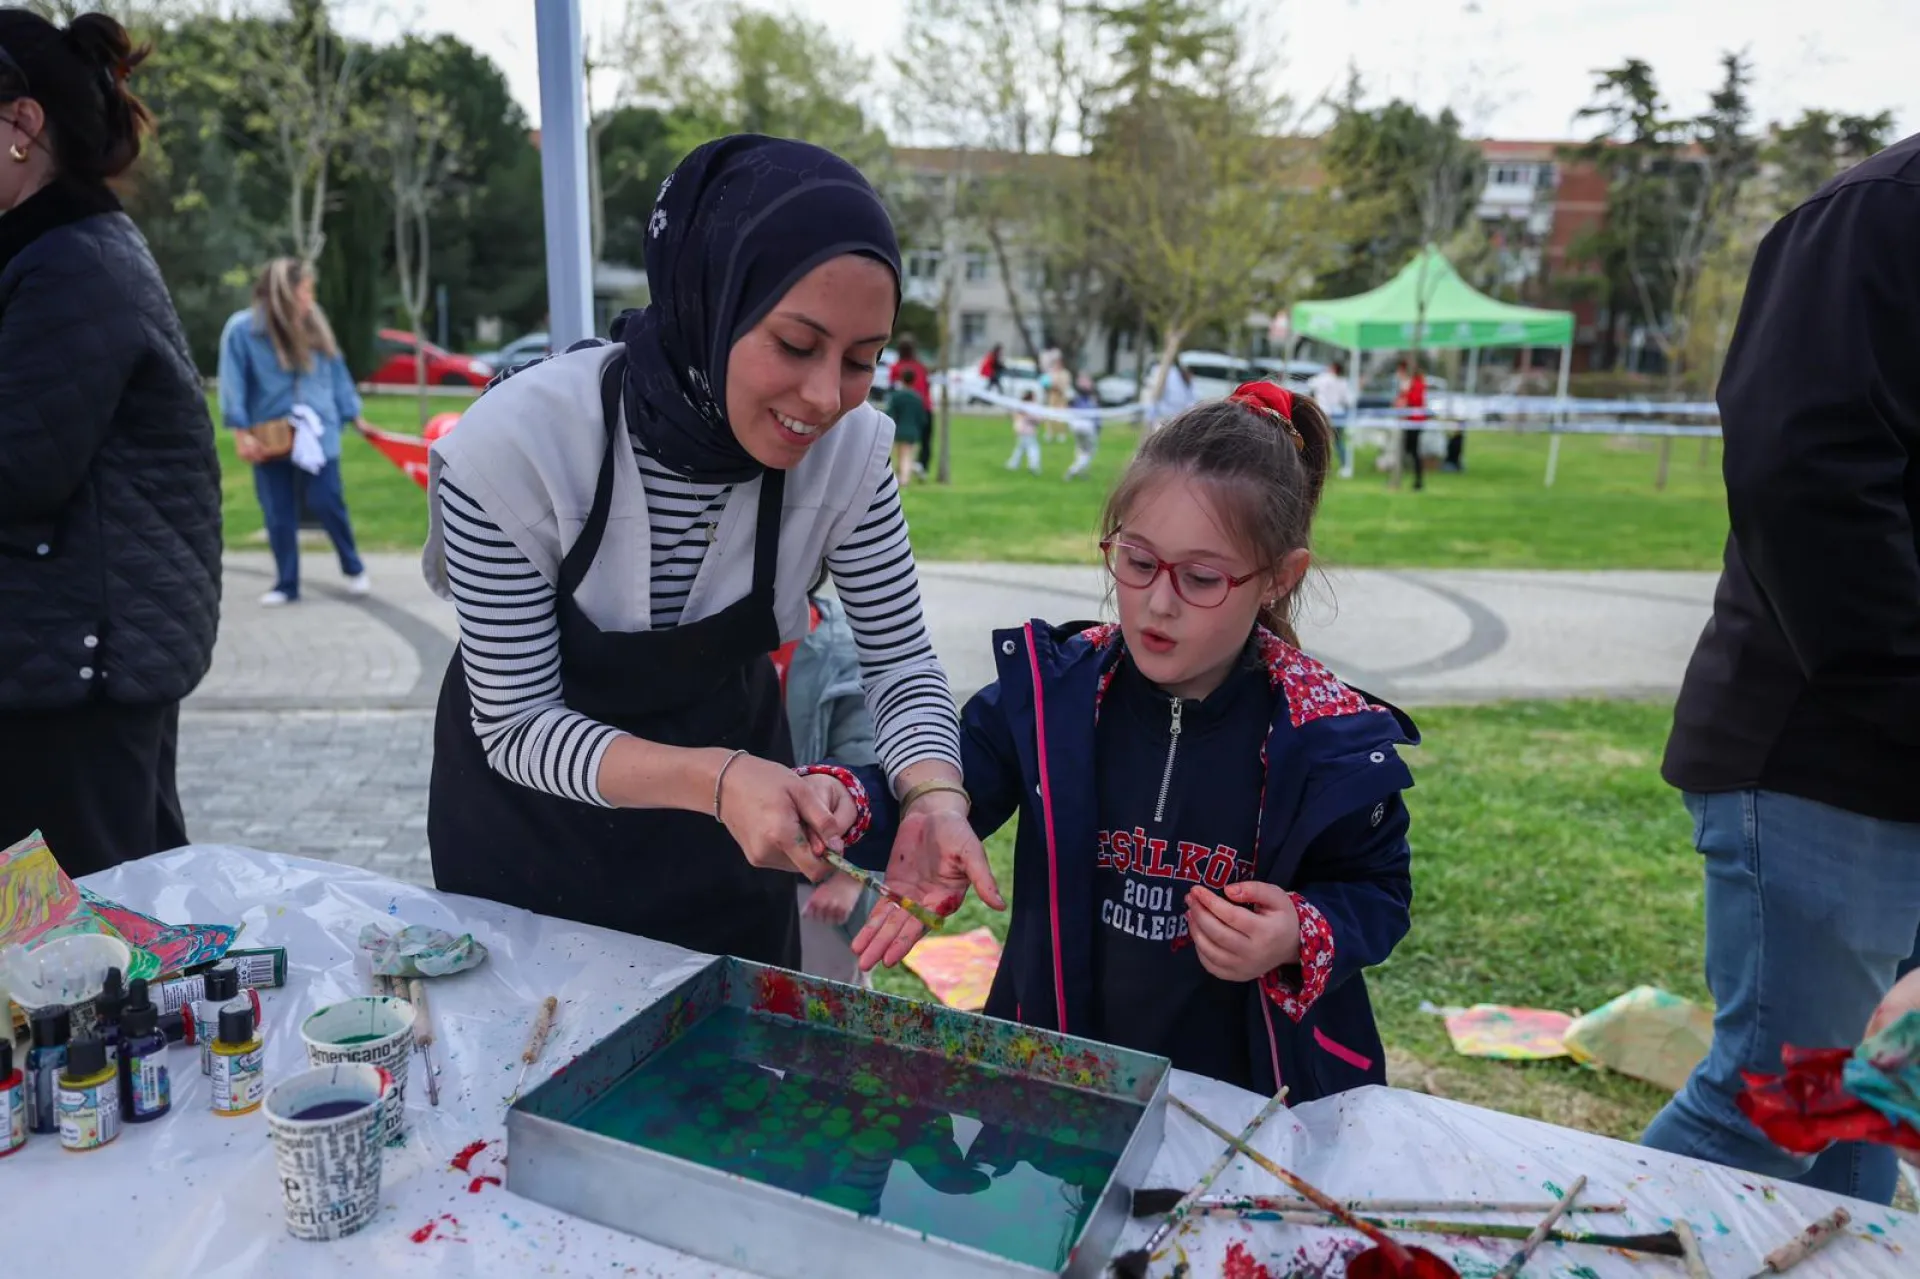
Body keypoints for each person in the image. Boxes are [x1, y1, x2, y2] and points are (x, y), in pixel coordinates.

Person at [421, 135, 998, 969]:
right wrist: (719, 781)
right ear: (710, 299)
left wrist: (934, 794)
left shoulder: (852, 454)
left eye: (862, 361)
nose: (825, 397)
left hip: (727, 850)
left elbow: (900, 659)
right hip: (530, 834)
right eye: (797, 346)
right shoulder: (516, 450)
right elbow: (516, 723)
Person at [827, 382, 1418, 1093]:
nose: (1158, 602)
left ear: (1278, 578)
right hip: (1061, 1082)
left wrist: (1298, 930)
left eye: (1201, 577)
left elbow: (1377, 890)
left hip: (1245, 1103)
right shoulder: (1053, 696)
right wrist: (846, 801)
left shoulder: (1327, 738)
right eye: (1138, 562)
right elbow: (943, 791)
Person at [1644, 131, 1920, 1207]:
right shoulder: (1880, 216)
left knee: (1867, 1093)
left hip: (1889, 754)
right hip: (1825, 746)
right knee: (1780, 1104)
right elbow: (1802, 475)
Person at [0, 10, 221, 876]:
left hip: (76, 680)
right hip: (63, 668)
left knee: (90, 948)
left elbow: (19, 465)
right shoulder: (51, 252)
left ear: (23, 126)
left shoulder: (72, 263)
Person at [219, 257, 371, 606]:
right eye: (305, 291)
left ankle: (353, 566)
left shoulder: (314, 326)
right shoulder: (243, 331)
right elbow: (233, 383)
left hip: (319, 432)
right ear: (285, 293)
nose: (309, 298)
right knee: (277, 509)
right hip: (270, 434)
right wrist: (241, 433)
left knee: (326, 500)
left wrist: (354, 415)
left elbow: (336, 373)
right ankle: (286, 583)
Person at [770, 575, 883, 985]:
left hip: (815, 877)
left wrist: (849, 877)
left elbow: (868, 766)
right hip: (735, 871)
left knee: (825, 995)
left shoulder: (841, 649)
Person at [888, 336, 933, 477]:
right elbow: (927, 386)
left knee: (899, 444)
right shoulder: (921, 367)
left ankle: (900, 470)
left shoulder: (896, 367)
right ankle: (922, 467)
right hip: (923, 406)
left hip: (901, 410)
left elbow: (892, 389)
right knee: (924, 441)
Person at [884, 364, 930, 488]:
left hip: (898, 430)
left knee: (899, 455)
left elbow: (889, 414)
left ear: (902, 379)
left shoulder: (896, 397)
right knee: (907, 455)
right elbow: (922, 418)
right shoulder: (918, 398)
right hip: (912, 431)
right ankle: (904, 479)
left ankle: (900, 479)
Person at [1307, 359, 1354, 479]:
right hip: (1338, 413)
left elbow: (1310, 384)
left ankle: (1321, 466)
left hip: (1324, 413)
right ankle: (1345, 467)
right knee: (1338, 442)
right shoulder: (1343, 382)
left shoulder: (1323, 378)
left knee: (1321, 441)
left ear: (1332, 368)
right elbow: (1349, 400)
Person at [1394, 358, 1428, 491]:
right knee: (1405, 450)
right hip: (1407, 420)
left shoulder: (1417, 383)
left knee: (1412, 451)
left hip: (1415, 421)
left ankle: (1418, 481)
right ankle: (1399, 478)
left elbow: (1416, 400)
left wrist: (1406, 396)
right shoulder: (1407, 384)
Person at [1063, 372, 1100, 481]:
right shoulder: (1092, 401)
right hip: (1087, 426)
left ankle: (1082, 472)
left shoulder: (1075, 399)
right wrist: (1098, 428)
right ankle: (1073, 470)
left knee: (1080, 448)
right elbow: (1096, 417)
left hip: (1075, 426)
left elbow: (1068, 407)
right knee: (1090, 451)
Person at [1005, 389, 1041, 474]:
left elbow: (1016, 418)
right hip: (1029, 432)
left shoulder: (1021, 406)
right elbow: (1037, 419)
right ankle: (1033, 466)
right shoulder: (1032, 407)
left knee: (1020, 449)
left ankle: (1013, 464)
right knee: (1033, 449)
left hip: (1021, 431)